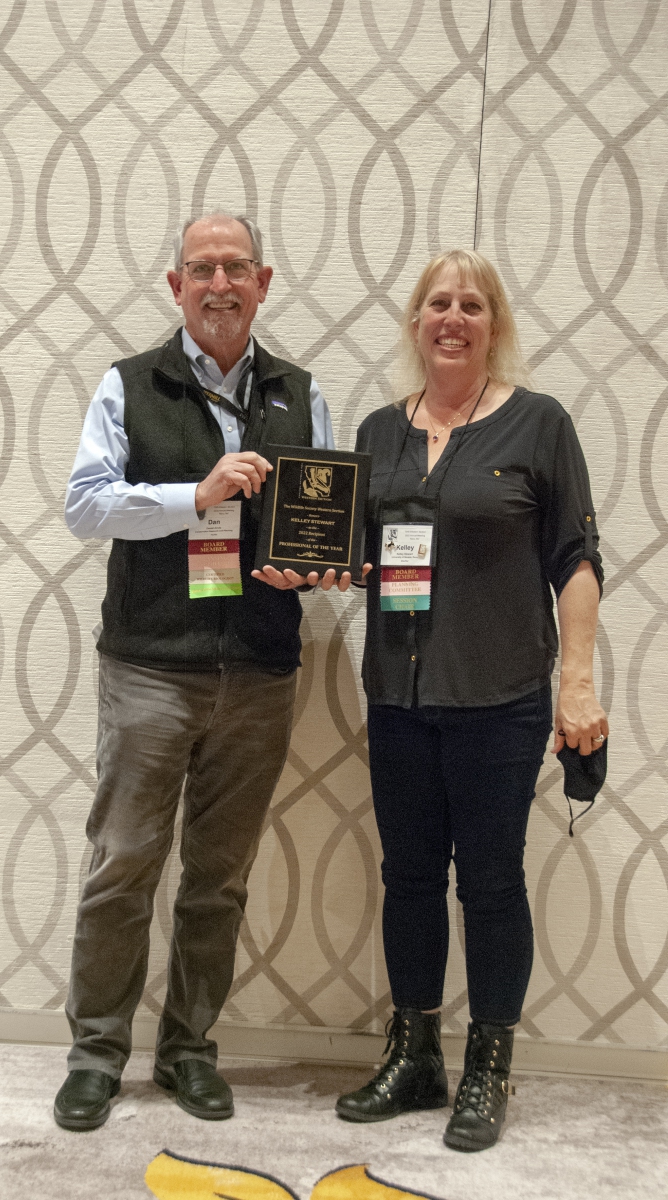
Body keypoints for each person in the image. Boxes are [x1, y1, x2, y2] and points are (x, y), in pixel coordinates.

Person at [55, 212, 351, 1132]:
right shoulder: (128, 383)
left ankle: (188, 1050)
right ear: (176, 285)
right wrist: (198, 496)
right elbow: (85, 506)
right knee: (123, 867)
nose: (220, 284)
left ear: (264, 282)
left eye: (236, 268)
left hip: (260, 671)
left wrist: (316, 568)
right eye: (202, 268)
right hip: (149, 668)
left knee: (218, 880)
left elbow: (319, 520)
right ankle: (95, 1055)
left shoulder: (301, 392)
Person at [333, 249, 607, 1152]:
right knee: (408, 879)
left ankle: (489, 1068)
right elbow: (354, 554)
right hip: (399, 694)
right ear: (416, 321)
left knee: (490, 883)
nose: (453, 318)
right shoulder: (379, 431)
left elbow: (575, 559)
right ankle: (415, 1057)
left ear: (495, 326)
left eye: (473, 305)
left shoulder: (538, 423)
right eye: (439, 303)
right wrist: (309, 565)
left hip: (501, 696)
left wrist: (577, 684)